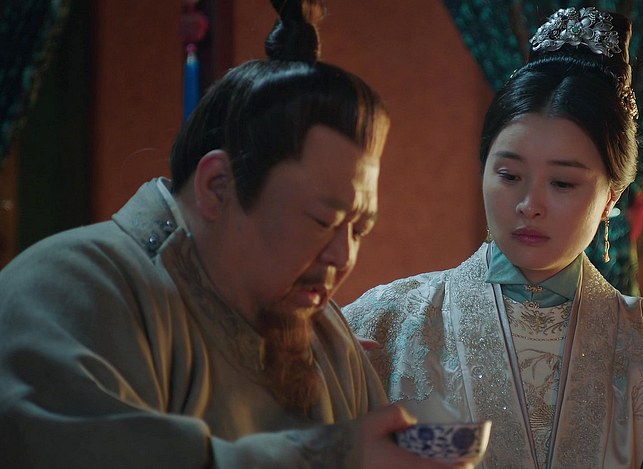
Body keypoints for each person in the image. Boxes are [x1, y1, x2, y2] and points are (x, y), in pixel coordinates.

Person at [0, 1, 464, 467]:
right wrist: (325, 458)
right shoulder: (71, 288)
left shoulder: (328, 338)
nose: (343, 256)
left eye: (359, 229)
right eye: (323, 221)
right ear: (217, 186)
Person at [345, 6, 643, 468]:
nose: (529, 204)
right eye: (509, 175)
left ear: (611, 197)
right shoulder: (385, 324)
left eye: (562, 183)